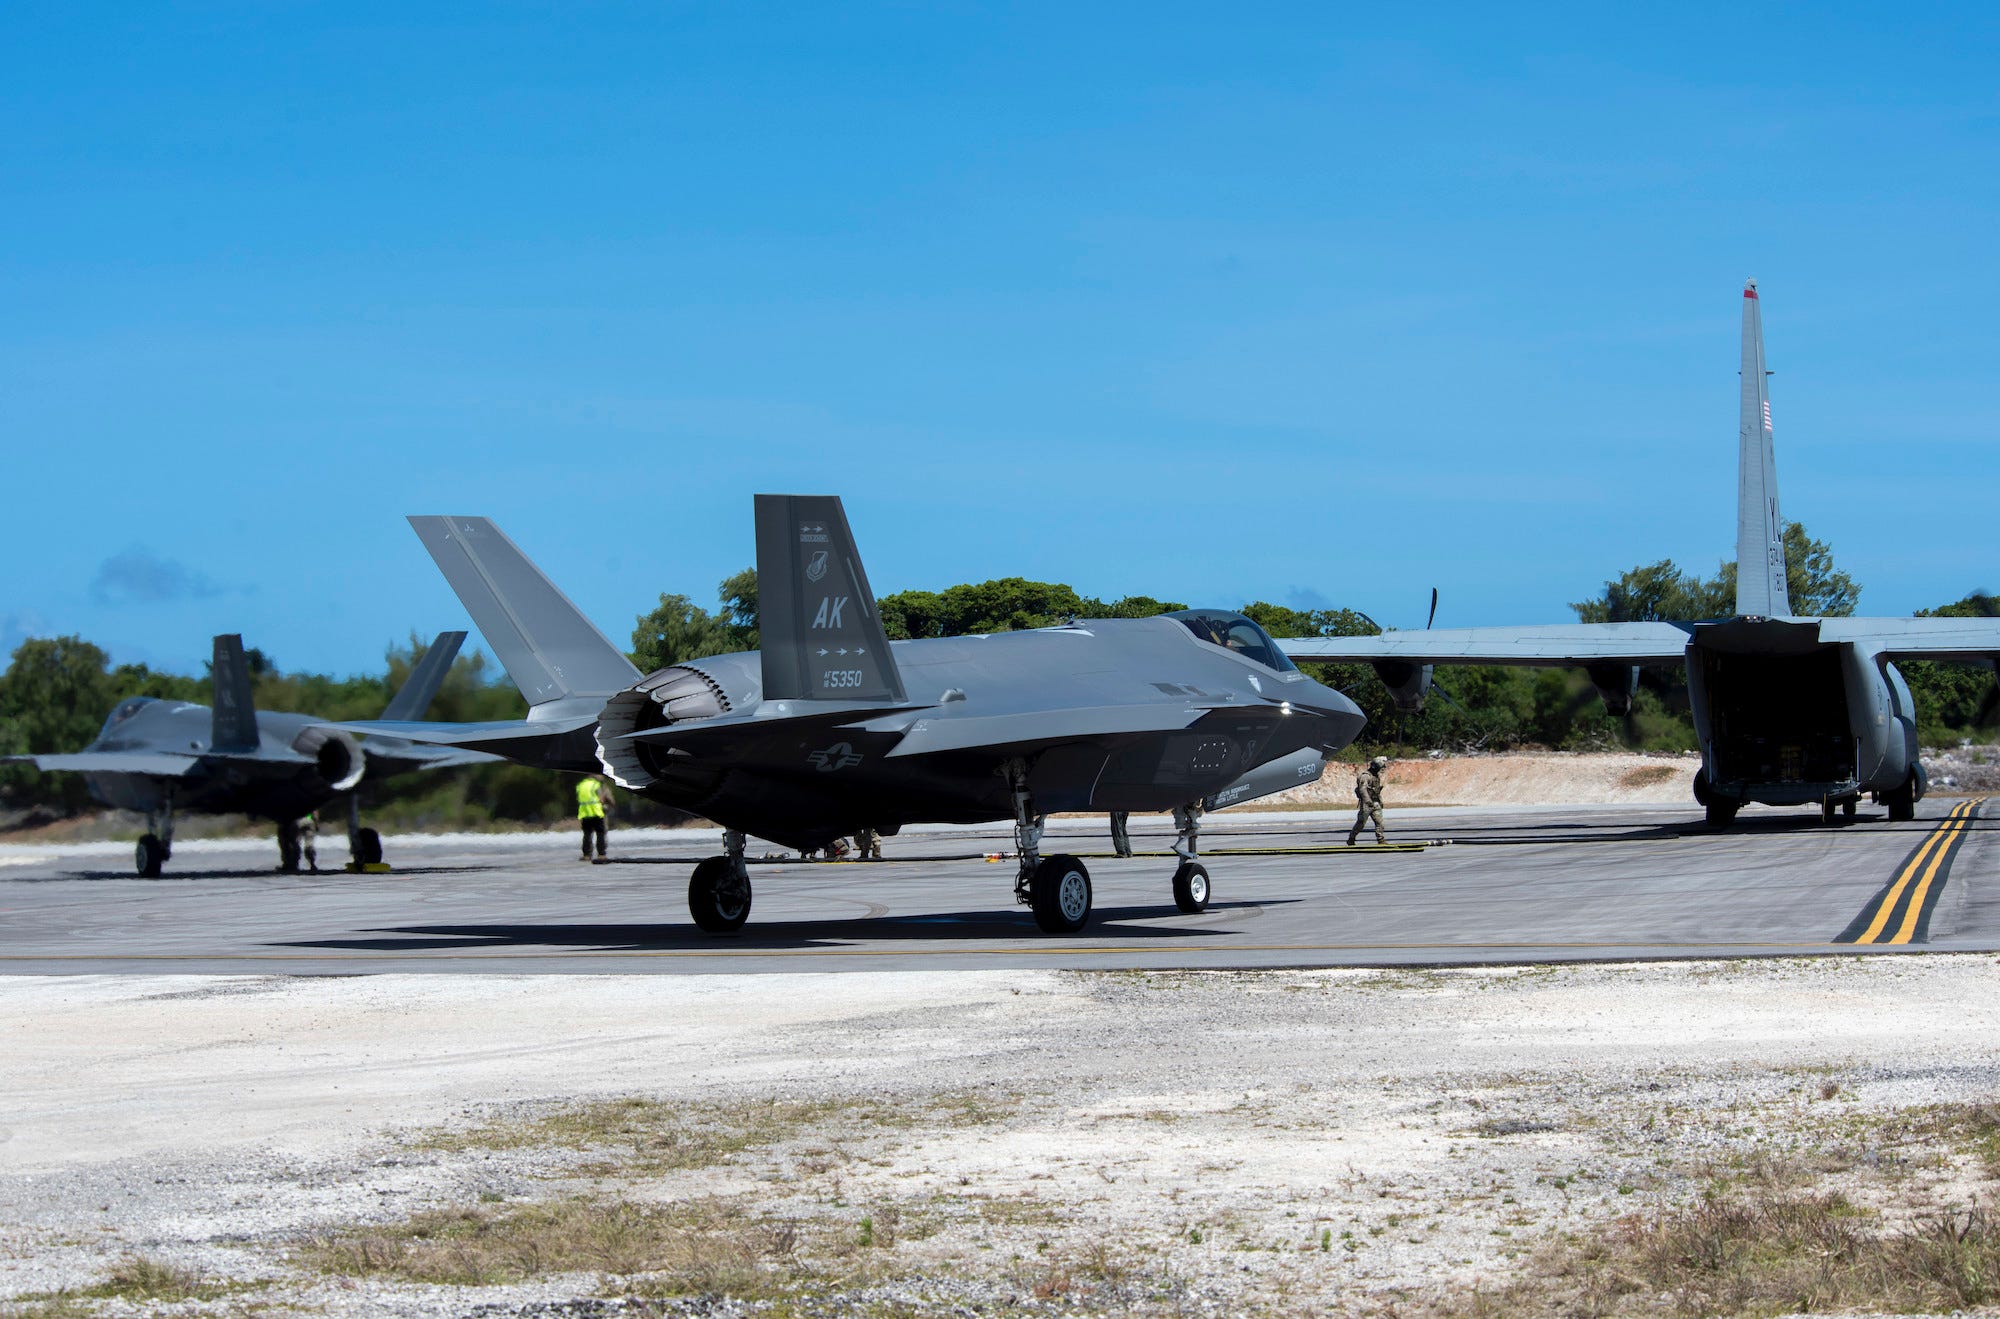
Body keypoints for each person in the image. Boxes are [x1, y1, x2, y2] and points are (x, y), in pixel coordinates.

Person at [1347, 756, 1389, 846]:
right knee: (1361, 823)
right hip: (1367, 804)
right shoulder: (1365, 776)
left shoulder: (1375, 776)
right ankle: (1351, 838)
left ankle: (1381, 840)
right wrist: (1367, 801)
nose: (1381, 770)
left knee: (1380, 823)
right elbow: (1362, 789)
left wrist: (1379, 801)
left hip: (1375, 802)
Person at [576, 775, 613, 861]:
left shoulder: (581, 785)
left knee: (587, 834)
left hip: (585, 813)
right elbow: (602, 799)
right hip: (596, 812)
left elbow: (579, 798)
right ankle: (601, 854)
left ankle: (586, 855)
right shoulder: (596, 785)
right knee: (600, 833)